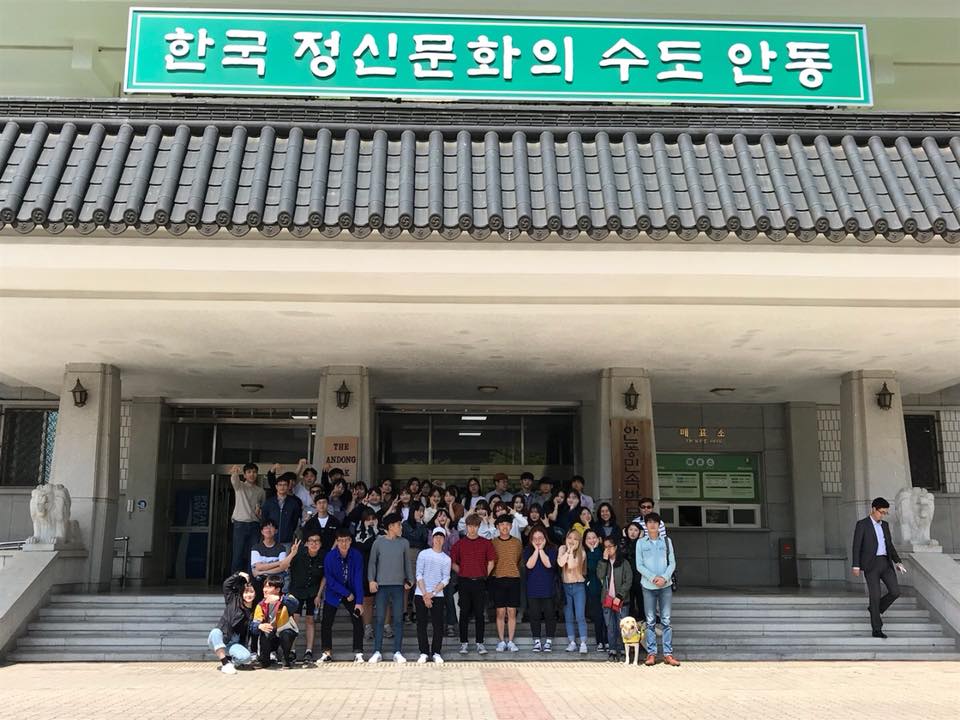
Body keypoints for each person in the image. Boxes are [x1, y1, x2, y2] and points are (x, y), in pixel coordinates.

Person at [852, 497, 906, 638]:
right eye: (881, 512)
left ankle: (875, 609)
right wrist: (856, 565)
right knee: (875, 596)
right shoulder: (862, 524)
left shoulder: (885, 525)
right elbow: (856, 546)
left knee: (895, 592)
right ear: (873, 509)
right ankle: (877, 629)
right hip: (871, 564)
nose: (883, 515)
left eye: (885, 513)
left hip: (885, 563)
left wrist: (898, 562)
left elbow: (890, 545)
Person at [367, 512, 414, 663]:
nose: (401, 527)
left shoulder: (404, 543)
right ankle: (377, 651)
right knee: (380, 618)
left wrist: (410, 579)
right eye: (399, 525)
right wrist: (371, 580)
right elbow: (372, 563)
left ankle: (397, 651)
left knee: (398, 619)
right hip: (381, 586)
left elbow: (407, 562)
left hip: (399, 585)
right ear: (391, 526)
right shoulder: (378, 542)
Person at [450, 513, 496, 655]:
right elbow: (453, 563)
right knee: (464, 613)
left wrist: (484, 574)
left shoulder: (486, 543)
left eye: (475, 526)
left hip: (480, 582)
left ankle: (480, 643)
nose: (472, 529)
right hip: (464, 581)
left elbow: (491, 561)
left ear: (479, 527)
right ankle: (464, 643)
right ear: (466, 526)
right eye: (470, 526)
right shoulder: (459, 544)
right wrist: (463, 572)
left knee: (479, 613)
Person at [637, 512, 678, 666]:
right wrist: (653, 577)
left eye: (655, 522)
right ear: (646, 525)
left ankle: (668, 654)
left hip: (665, 585)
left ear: (659, 525)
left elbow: (672, 563)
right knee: (650, 620)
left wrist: (664, 578)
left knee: (666, 620)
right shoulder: (641, 543)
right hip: (648, 585)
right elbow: (639, 565)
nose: (652, 524)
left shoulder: (667, 541)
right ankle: (651, 653)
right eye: (649, 522)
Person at [319, 528, 366, 663]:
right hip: (334, 592)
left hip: (352, 591)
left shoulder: (356, 555)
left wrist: (359, 601)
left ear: (350, 541)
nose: (343, 544)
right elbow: (330, 579)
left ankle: (358, 652)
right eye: (340, 541)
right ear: (337, 542)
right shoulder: (330, 556)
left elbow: (358, 578)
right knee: (326, 621)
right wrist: (346, 593)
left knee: (357, 619)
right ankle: (326, 652)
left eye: (346, 540)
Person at [208, 570, 257, 674]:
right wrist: (238, 574)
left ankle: (232, 661)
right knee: (215, 632)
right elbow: (226, 585)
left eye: (251, 592)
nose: (248, 595)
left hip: (234, 642)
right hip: (221, 638)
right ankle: (225, 663)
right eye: (246, 592)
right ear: (241, 593)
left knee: (246, 657)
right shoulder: (233, 600)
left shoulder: (255, 609)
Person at [415, 526, 452, 663]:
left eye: (441, 537)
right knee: (421, 624)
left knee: (438, 625)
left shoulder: (446, 559)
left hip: (438, 595)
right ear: (432, 538)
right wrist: (425, 594)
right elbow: (419, 574)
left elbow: (446, 579)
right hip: (421, 593)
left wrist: (433, 593)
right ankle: (424, 652)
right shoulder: (423, 554)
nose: (438, 539)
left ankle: (436, 652)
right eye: (436, 536)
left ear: (444, 539)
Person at [287, 531, 324, 664]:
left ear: (320, 544)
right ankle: (292, 650)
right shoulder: (298, 554)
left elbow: (324, 577)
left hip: (313, 591)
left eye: (317, 541)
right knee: (294, 619)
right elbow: (285, 566)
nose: (314, 544)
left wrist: (319, 595)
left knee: (310, 619)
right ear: (306, 543)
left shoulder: (322, 557)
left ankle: (309, 651)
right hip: (296, 590)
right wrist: (292, 553)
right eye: (311, 541)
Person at [251, 574, 299, 669]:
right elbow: (253, 626)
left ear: (277, 590)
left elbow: (295, 605)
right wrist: (259, 626)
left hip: (284, 631)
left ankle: (286, 659)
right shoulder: (261, 604)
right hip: (271, 633)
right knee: (265, 632)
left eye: (268, 587)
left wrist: (280, 599)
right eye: (264, 587)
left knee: (286, 634)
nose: (264, 590)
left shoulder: (287, 598)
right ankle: (265, 661)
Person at [596, 535, 632, 662]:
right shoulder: (603, 562)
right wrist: (604, 560)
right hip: (607, 600)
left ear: (616, 547)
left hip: (621, 600)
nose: (608, 549)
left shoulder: (624, 563)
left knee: (622, 627)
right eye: (605, 547)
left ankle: (622, 650)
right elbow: (600, 575)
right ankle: (612, 650)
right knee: (610, 627)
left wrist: (620, 595)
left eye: (610, 546)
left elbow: (628, 580)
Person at [491, 514, 523, 652]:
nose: (505, 527)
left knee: (511, 611)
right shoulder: (493, 542)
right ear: (498, 527)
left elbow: (519, 560)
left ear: (511, 526)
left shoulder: (517, 542)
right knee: (500, 612)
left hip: (514, 578)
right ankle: (501, 641)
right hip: (498, 578)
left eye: (507, 524)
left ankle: (510, 641)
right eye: (502, 524)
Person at [524, 526, 557, 653]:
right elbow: (529, 565)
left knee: (549, 615)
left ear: (545, 538)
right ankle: (537, 641)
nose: (538, 540)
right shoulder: (528, 550)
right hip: (533, 588)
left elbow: (548, 564)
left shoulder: (552, 549)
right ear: (531, 539)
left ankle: (549, 641)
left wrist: (541, 550)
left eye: (540, 538)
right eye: (535, 538)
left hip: (548, 587)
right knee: (534, 615)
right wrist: (536, 550)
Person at [229, 463, 265, 573]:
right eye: (249, 472)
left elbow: (263, 509)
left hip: (255, 524)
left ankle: (251, 580)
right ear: (244, 475)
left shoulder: (261, 491)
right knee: (238, 554)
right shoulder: (240, 486)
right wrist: (235, 472)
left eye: (254, 472)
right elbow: (234, 480)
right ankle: (235, 580)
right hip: (240, 524)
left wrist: (260, 513)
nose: (252, 474)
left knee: (253, 555)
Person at [558, 528, 589, 654]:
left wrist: (571, 551)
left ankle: (583, 643)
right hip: (566, 586)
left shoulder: (582, 552)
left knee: (580, 616)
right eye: (570, 538)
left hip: (578, 586)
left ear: (579, 541)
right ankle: (572, 642)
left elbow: (571, 565)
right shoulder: (562, 549)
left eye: (575, 539)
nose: (572, 541)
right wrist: (568, 551)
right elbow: (561, 563)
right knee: (568, 615)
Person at [432, 508, 460, 637]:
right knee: (437, 598)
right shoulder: (431, 532)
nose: (442, 518)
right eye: (439, 516)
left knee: (449, 597)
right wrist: (438, 529)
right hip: (434, 570)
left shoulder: (453, 532)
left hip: (449, 569)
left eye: (444, 516)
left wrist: (447, 530)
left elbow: (455, 546)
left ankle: (450, 625)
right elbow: (434, 546)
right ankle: (438, 625)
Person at [402, 501, 429, 621]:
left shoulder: (423, 524)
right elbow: (415, 536)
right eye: (419, 511)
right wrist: (419, 524)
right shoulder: (406, 524)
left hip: (422, 554)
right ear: (413, 511)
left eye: (423, 511)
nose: (421, 513)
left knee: (419, 582)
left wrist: (421, 524)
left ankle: (414, 610)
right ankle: (404, 611)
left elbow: (425, 539)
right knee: (408, 583)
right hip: (410, 553)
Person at [261, 472, 303, 549]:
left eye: (285, 485)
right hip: (270, 539)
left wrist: (289, 531)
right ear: (276, 487)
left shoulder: (293, 503)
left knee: (286, 557)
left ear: (288, 486)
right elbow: (264, 519)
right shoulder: (269, 502)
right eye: (280, 485)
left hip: (287, 540)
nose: (282, 487)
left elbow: (294, 521)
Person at [583, 528, 607, 652]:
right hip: (593, 588)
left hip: (605, 588)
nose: (592, 540)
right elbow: (591, 568)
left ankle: (607, 640)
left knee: (607, 615)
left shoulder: (603, 551)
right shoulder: (584, 553)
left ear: (598, 539)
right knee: (597, 616)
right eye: (588, 538)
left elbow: (601, 567)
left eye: (594, 538)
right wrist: (592, 550)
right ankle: (600, 642)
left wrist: (596, 549)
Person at [250, 520, 288, 589]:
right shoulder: (256, 548)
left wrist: (263, 572)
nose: (268, 530)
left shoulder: (281, 548)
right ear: (262, 531)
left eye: (271, 527)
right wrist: (278, 563)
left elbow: (282, 567)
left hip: (275, 582)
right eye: (266, 527)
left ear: (276, 531)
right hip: (259, 582)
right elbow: (258, 567)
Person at [621, 522, 646, 622]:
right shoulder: (623, 542)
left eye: (636, 530)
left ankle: (643, 619)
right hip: (626, 576)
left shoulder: (643, 543)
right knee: (629, 600)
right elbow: (623, 553)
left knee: (641, 599)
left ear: (640, 532)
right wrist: (624, 538)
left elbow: (638, 553)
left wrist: (640, 539)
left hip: (639, 576)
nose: (633, 532)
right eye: (630, 529)